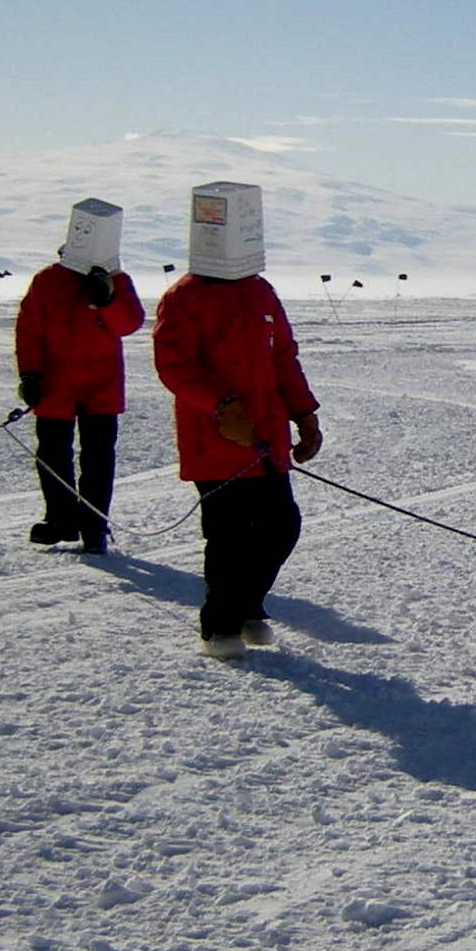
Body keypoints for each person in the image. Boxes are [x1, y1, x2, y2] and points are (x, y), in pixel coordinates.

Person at [152, 244, 323, 661]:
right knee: (229, 538)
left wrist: (304, 414)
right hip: (213, 441)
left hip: (267, 439)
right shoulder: (184, 297)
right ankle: (220, 628)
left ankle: (246, 606)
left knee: (281, 526)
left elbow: (283, 357)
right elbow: (174, 365)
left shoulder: (261, 291)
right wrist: (222, 407)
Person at [15, 257, 142, 554]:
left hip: (101, 386)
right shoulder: (48, 280)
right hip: (54, 384)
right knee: (52, 453)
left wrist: (107, 300)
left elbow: (129, 324)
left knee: (98, 458)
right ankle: (61, 519)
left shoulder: (116, 279)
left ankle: (94, 526)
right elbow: (29, 329)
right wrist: (30, 373)